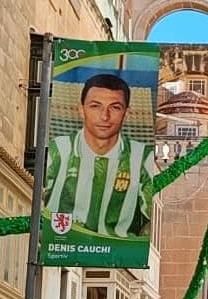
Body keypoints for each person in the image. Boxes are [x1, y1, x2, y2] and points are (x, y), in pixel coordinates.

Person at [43, 72, 157, 239]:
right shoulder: (57, 150)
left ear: (126, 113)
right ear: (81, 110)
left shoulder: (143, 158)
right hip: (62, 247)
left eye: (115, 107)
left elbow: (150, 221)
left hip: (117, 257)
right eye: (95, 106)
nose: (105, 116)